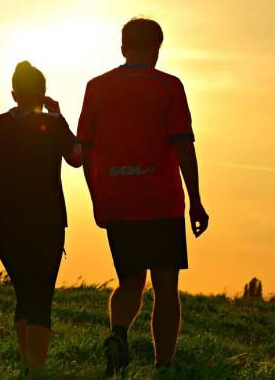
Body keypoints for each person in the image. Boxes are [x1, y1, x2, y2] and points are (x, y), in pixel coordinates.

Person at [76, 18, 209, 375]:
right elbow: (183, 145)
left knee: (130, 281)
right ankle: (163, 365)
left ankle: (119, 332)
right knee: (165, 288)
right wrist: (196, 200)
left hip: (118, 199)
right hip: (161, 201)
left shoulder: (96, 87)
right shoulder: (169, 87)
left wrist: (96, 196)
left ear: (123, 48)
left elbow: (86, 150)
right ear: (157, 48)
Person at [0, 61, 82, 375]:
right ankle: (35, 371)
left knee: (25, 293)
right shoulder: (53, 125)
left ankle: (28, 368)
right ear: (43, 94)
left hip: (5, 222)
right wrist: (60, 117)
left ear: (14, 94)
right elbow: (77, 158)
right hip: (47, 221)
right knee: (41, 294)